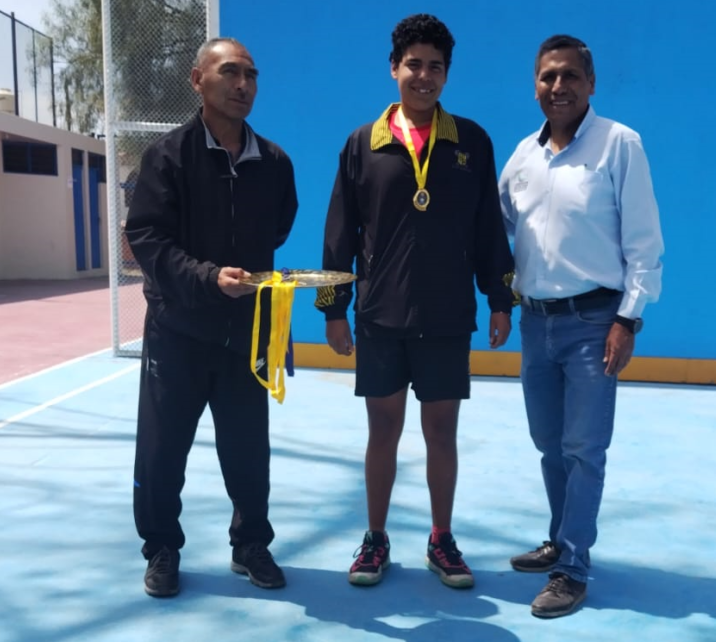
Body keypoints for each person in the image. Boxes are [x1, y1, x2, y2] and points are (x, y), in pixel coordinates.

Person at [316, 14, 516, 590]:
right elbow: (339, 236)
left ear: (446, 75)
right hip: (380, 315)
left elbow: (488, 232)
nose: (423, 76)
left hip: (448, 315)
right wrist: (333, 309)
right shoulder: (363, 143)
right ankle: (375, 539)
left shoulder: (471, 142)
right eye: (414, 65)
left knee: (442, 433)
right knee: (382, 431)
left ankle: (441, 538)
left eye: (435, 67)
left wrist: (499, 298)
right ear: (394, 69)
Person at [124, 37, 298, 598]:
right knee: (162, 449)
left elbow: (279, 226)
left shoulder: (273, 163)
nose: (244, 84)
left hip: (247, 334)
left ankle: (251, 546)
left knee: (249, 449)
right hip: (178, 332)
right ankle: (162, 548)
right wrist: (205, 278)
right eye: (230, 73)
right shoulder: (167, 157)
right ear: (198, 81)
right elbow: (146, 237)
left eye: (251, 74)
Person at [498, 35, 664, 618]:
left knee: (584, 448)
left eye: (570, 76)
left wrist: (628, 319)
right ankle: (558, 536)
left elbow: (645, 245)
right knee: (549, 445)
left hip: (595, 322)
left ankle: (572, 567)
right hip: (535, 324)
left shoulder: (620, 145)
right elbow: (495, 234)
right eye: (547, 77)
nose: (558, 87)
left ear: (590, 83)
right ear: (536, 84)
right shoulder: (522, 157)